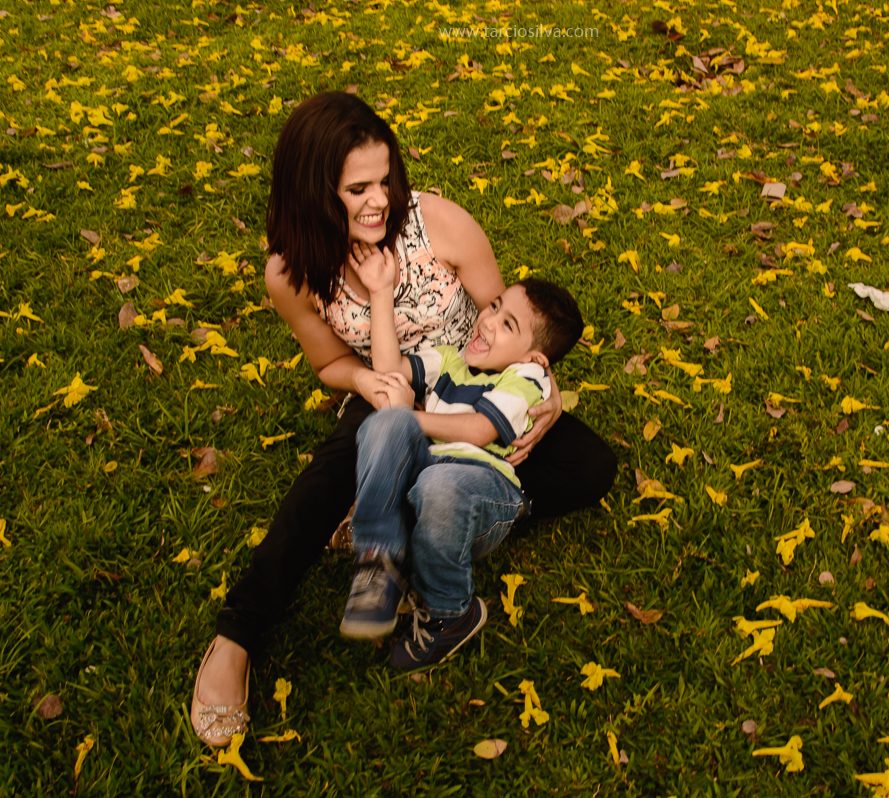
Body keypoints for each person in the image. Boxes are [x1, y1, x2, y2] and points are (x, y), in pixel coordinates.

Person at [190, 91, 617, 746]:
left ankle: (427, 516)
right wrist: (370, 382)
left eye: (385, 180)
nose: (378, 201)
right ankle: (236, 639)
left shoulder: (440, 223)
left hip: (473, 383)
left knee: (592, 465)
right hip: (391, 385)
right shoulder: (290, 273)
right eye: (357, 187)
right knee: (327, 477)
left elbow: (506, 322)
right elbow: (331, 364)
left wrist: (547, 393)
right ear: (313, 191)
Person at [340, 245, 584, 669]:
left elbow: (479, 430)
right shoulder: (451, 359)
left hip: (481, 493)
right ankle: (377, 559)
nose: (487, 321)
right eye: (493, 307)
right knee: (383, 424)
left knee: (432, 473)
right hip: (427, 479)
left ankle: (451, 613)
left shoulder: (528, 378)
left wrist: (413, 416)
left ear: (535, 357)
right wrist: (381, 292)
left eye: (506, 324)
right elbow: (390, 372)